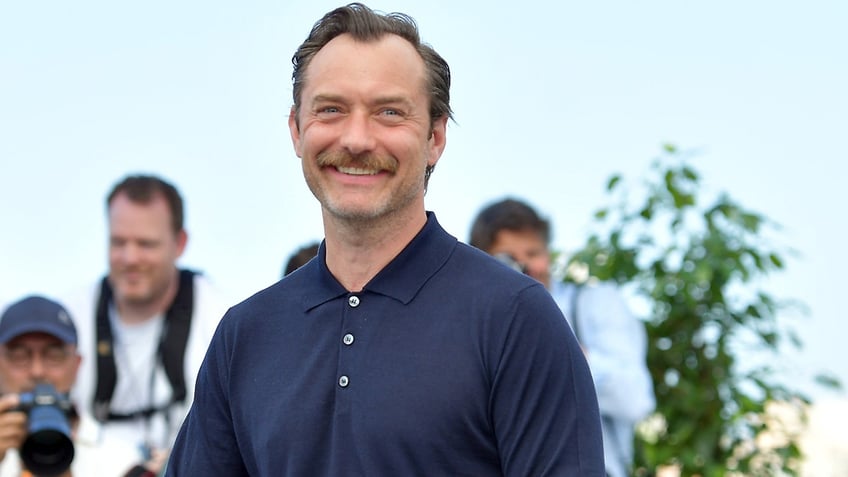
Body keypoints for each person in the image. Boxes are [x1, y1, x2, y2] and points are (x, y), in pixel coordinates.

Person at [166, 3, 604, 476]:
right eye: (331, 109)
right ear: (296, 129)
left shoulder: (515, 319)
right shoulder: (245, 336)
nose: (356, 139)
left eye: (389, 112)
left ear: (435, 136)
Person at [469, 197, 656, 477]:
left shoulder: (594, 303)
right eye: (509, 259)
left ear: (549, 253)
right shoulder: (473, 326)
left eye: (533, 254)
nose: (526, 268)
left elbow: (636, 399)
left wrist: (564, 355)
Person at [60, 174, 230, 465]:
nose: (130, 258)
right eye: (118, 242)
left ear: (180, 243)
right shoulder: (66, 320)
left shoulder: (222, 320)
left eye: (145, 244)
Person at [0, 295, 165, 476]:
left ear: (77, 365)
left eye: (54, 355)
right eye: (19, 357)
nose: (37, 371)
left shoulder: (122, 461)